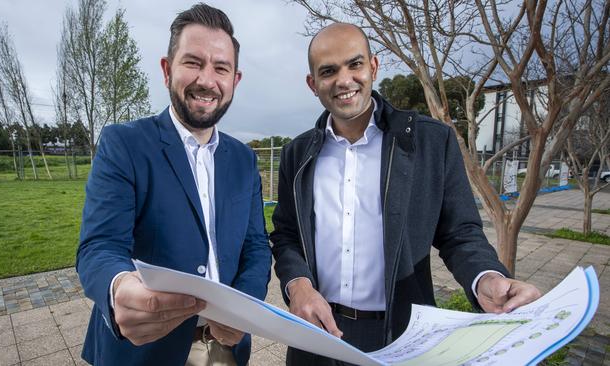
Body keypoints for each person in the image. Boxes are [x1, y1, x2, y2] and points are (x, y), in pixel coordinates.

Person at [270, 22, 541, 365]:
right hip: (315, 335)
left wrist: (486, 278)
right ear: (313, 83)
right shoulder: (297, 154)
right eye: (328, 71)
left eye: (354, 64)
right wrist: (299, 286)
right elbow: (286, 234)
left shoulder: (429, 142)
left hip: (401, 336)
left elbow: (460, 234)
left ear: (374, 66)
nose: (343, 80)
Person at [77, 4, 271, 365]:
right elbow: (99, 246)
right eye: (193, 62)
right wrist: (118, 286)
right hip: (141, 351)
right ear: (167, 69)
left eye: (221, 68)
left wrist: (244, 309)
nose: (207, 80)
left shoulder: (244, 160)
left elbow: (256, 246)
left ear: (235, 80)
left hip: (227, 348)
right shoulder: (125, 144)